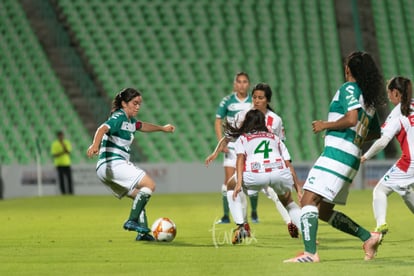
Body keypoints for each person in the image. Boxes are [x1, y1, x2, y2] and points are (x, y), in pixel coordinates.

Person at [284, 51, 386, 263]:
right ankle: (368, 237)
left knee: (307, 200)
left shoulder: (349, 88)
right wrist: (357, 136)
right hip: (352, 157)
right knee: (323, 210)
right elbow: (375, 132)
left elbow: (351, 119)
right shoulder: (367, 99)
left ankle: (310, 254)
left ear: (349, 69)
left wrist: (325, 125)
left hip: (337, 153)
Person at [206, 83, 301, 238]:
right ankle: (294, 223)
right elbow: (279, 144)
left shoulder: (274, 120)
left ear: (267, 100)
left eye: (260, 98)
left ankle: (242, 225)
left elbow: (233, 137)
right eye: (255, 97)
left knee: (234, 186)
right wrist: (215, 152)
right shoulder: (246, 114)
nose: (256, 101)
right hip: (272, 166)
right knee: (281, 196)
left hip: (252, 167)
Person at [86, 88, 175, 241]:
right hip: (113, 163)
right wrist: (95, 145)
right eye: (134, 103)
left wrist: (162, 128)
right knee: (150, 185)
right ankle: (131, 221)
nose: (138, 107)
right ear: (124, 103)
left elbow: (142, 126)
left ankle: (142, 233)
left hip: (104, 170)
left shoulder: (130, 121)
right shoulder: (119, 116)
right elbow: (102, 128)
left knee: (138, 196)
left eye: (139, 104)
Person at [221, 109, 302, 244]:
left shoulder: (244, 138)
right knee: (288, 201)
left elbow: (240, 159)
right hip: (278, 172)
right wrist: (298, 187)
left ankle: (241, 226)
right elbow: (288, 163)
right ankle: (308, 233)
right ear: (262, 122)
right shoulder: (275, 138)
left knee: (230, 186)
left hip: (256, 174)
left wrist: (239, 183)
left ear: (248, 122)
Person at [361, 76, 414, 239]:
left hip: (410, 162)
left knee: (380, 190)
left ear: (396, 93)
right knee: (406, 191)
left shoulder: (397, 114)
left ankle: (380, 225)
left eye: (389, 93)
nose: (388, 97)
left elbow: (382, 142)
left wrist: (366, 156)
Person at [214, 72, 255, 224]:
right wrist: (221, 141)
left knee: (249, 181)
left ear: (248, 84)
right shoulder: (227, 101)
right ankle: (226, 216)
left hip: (248, 145)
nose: (242, 84)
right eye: (239, 82)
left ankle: (252, 214)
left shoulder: (253, 100)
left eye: (245, 81)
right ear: (234, 84)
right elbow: (218, 121)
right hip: (231, 144)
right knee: (229, 181)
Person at [51, 130, 73, 195]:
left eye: (62, 135)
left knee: (69, 179)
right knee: (61, 180)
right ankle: (63, 193)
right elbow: (54, 155)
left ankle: (70, 193)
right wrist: (62, 152)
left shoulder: (66, 142)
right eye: (60, 136)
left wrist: (64, 147)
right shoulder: (55, 144)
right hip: (59, 164)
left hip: (67, 163)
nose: (61, 137)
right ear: (58, 136)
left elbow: (68, 152)